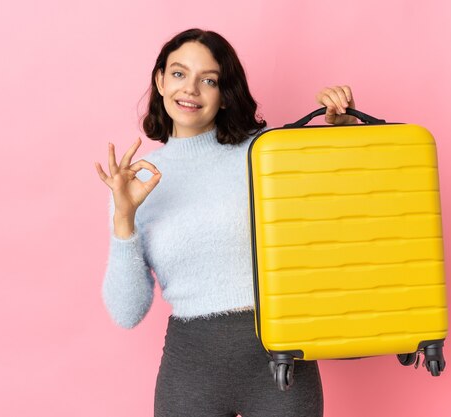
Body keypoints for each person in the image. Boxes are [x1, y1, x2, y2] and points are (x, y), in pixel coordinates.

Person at [94, 28, 357, 417]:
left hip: (281, 362)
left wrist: (343, 132)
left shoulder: (268, 153)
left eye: (209, 80)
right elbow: (126, 312)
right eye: (179, 74)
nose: (191, 90)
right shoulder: (137, 183)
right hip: (191, 371)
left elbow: (340, 211)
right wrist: (124, 220)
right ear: (160, 80)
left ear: (224, 92)